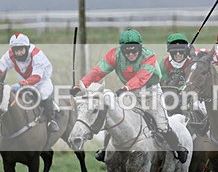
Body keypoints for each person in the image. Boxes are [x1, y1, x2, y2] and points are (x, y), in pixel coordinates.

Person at [70, 28, 188, 163]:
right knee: (114, 116)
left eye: (134, 50)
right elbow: (98, 72)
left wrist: (126, 87)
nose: (131, 54)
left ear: (140, 48)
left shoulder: (149, 56)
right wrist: (79, 86)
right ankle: (105, 149)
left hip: (150, 92)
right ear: (122, 49)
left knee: (161, 125)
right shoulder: (114, 55)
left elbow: (141, 77)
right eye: (127, 51)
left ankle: (177, 147)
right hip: (129, 92)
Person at [0, 33, 59, 133]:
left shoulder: (37, 55)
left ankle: (52, 120)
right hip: (24, 80)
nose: (19, 53)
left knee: (43, 93)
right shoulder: (10, 55)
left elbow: (36, 77)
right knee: (11, 96)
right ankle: (0, 123)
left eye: (21, 50)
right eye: (16, 50)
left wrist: (22, 84)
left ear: (27, 48)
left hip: (42, 80)